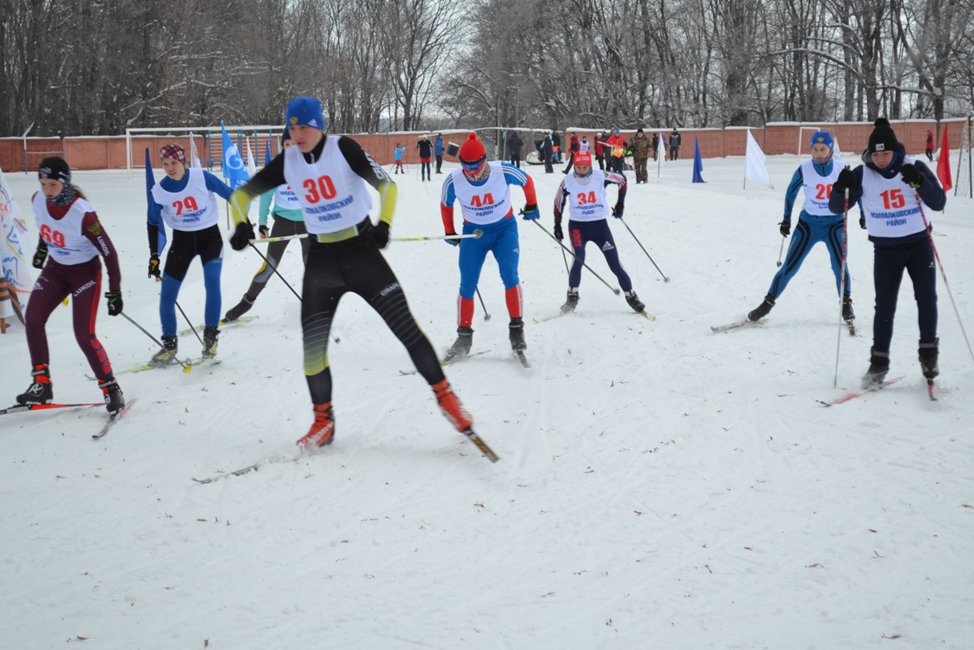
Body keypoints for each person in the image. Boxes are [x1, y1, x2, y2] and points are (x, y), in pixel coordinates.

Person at [227, 95, 476, 448]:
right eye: (292, 127)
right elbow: (241, 196)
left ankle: (448, 400)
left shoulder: (342, 148)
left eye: (304, 127)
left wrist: (383, 224)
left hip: (362, 254)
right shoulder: (288, 161)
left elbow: (386, 185)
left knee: (406, 329)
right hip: (322, 262)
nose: (297, 134)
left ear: (318, 126)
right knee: (312, 348)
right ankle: (323, 421)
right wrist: (240, 225)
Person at [828, 118, 947, 388]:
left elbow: (938, 202)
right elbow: (837, 208)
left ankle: (929, 357)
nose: (881, 159)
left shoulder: (914, 167)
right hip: (885, 250)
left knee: (927, 300)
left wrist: (920, 182)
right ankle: (879, 364)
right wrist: (840, 187)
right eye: (877, 154)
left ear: (896, 151)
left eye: (886, 153)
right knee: (885, 306)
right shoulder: (862, 174)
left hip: (919, 246)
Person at [15, 157, 125, 415]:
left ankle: (111, 388)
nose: (47, 191)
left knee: (83, 335)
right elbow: (46, 225)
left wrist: (115, 290)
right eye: (43, 183)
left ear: (65, 184)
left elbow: (108, 253)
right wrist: (43, 248)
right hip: (56, 268)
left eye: (53, 184)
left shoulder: (84, 214)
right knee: (33, 317)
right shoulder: (38, 199)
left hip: (85, 273)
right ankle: (42, 383)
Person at [440, 133, 539, 358]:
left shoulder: (501, 170)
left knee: (510, 275)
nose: (472, 171)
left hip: (504, 230)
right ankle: (464, 338)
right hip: (473, 236)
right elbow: (446, 203)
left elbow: (527, 181)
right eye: (467, 166)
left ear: (484, 159)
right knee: (467, 283)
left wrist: (531, 204)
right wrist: (449, 231)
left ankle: (516, 331)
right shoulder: (454, 180)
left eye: (476, 165)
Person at [747, 131, 853, 325]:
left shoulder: (841, 168)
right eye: (815, 149)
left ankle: (846, 303)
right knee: (790, 267)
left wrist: (862, 214)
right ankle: (767, 303)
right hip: (808, 225)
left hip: (834, 224)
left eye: (823, 149)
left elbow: (855, 192)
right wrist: (786, 220)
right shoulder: (804, 169)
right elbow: (790, 193)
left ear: (831, 149)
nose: (819, 153)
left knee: (840, 267)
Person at [147, 144, 233, 363]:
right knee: (167, 295)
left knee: (212, 282)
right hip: (182, 242)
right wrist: (154, 255)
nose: (170, 168)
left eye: (174, 163)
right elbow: (153, 223)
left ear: (183, 161)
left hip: (209, 239)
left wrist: (244, 224)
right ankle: (169, 346)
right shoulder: (159, 191)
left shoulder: (201, 177)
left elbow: (231, 195)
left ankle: (211, 339)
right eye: (165, 164)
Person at [224, 128, 309, 322]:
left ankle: (316, 306)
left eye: (295, 145)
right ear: (283, 146)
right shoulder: (277, 169)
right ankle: (245, 303)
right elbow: (266, 197)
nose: (291, 148)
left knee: (312, 266)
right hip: (283, 223)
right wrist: (262, 223)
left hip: (308, 223)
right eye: (287, 145)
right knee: (269, 265)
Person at [552, 151, 645, 314]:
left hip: (599, 226)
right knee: (578, 258)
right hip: (578, 227)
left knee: (614, 263)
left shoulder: (600, 175)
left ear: (590, 165)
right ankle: (571, 297)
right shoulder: (568, 181)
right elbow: (558, 201)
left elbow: (622, 180)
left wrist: (620, 204)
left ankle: (632, 296)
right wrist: (557, 225)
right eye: (578, 167)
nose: (581, 170)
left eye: (584, 167)